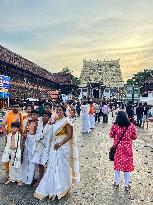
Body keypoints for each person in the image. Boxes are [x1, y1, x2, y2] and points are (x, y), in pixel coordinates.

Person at [34, 105, 80, 200]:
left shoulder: (67, 121)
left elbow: (70, 135)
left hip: (63, 146)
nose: (58, 111)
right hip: (54, 146)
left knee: (62, 167)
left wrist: (60, 143)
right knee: (53, 166)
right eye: (57, 110)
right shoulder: (56, 121)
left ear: (64, 111)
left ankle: (62, 187)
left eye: (60, 110)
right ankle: (53, 187)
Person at [109, 111, 137, 192]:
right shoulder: (131, 126)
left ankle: (117, 183)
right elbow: (134, 137)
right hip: (128, 149)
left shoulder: (115, 126)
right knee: (127, 168)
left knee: (118, 166)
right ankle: (127, 184)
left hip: (118, 148)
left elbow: (111, 135)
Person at [1, 101, 24, 180]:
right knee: (8, 154)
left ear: (19, 107)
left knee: (17, 154)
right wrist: (6, 134)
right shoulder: (8, 114)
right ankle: (7, 173)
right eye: (14, 107)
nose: (16, 108)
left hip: (18, 137)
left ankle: (16, 174)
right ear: (11, 107)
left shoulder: (20, 114)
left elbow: (22, 127)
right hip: (10, 137)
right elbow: (3, 125)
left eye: (17, 106)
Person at [32, 111, 53, 187]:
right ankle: (39, 179)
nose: (44, 117)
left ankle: (45, 180)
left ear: (49, 118)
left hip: (46, 147)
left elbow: (50, 138)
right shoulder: (39, 125)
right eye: (43, 116)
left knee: (45, 163)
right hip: (39, 146)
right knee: (39, 163)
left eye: (46, 116)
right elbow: (36, 135)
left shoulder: (51, 126)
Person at [2, 122, 22, 186]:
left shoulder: (19, 135)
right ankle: (11, 178)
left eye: (15, 128)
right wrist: (7, 152)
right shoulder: (9, 135)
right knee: (11, 166)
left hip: (17, 152)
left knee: (18, 166)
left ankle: (19, 180)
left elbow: (20, 145)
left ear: (18, 129)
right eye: (12, 127)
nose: (13, 129)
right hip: (10, 152)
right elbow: (7, 144)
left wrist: (20, 153)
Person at [22, 110, 39, 185]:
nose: (33, 116)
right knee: (27, 159)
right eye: (32, 115)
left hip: (35, 142)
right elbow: (24, 132)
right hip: (28, 141)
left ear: (37, 115)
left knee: (33, 160)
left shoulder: (39, 123)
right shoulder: (28, 122)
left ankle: (33, 178)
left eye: (34, 115)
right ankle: (27, 177)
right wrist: (25, 134)